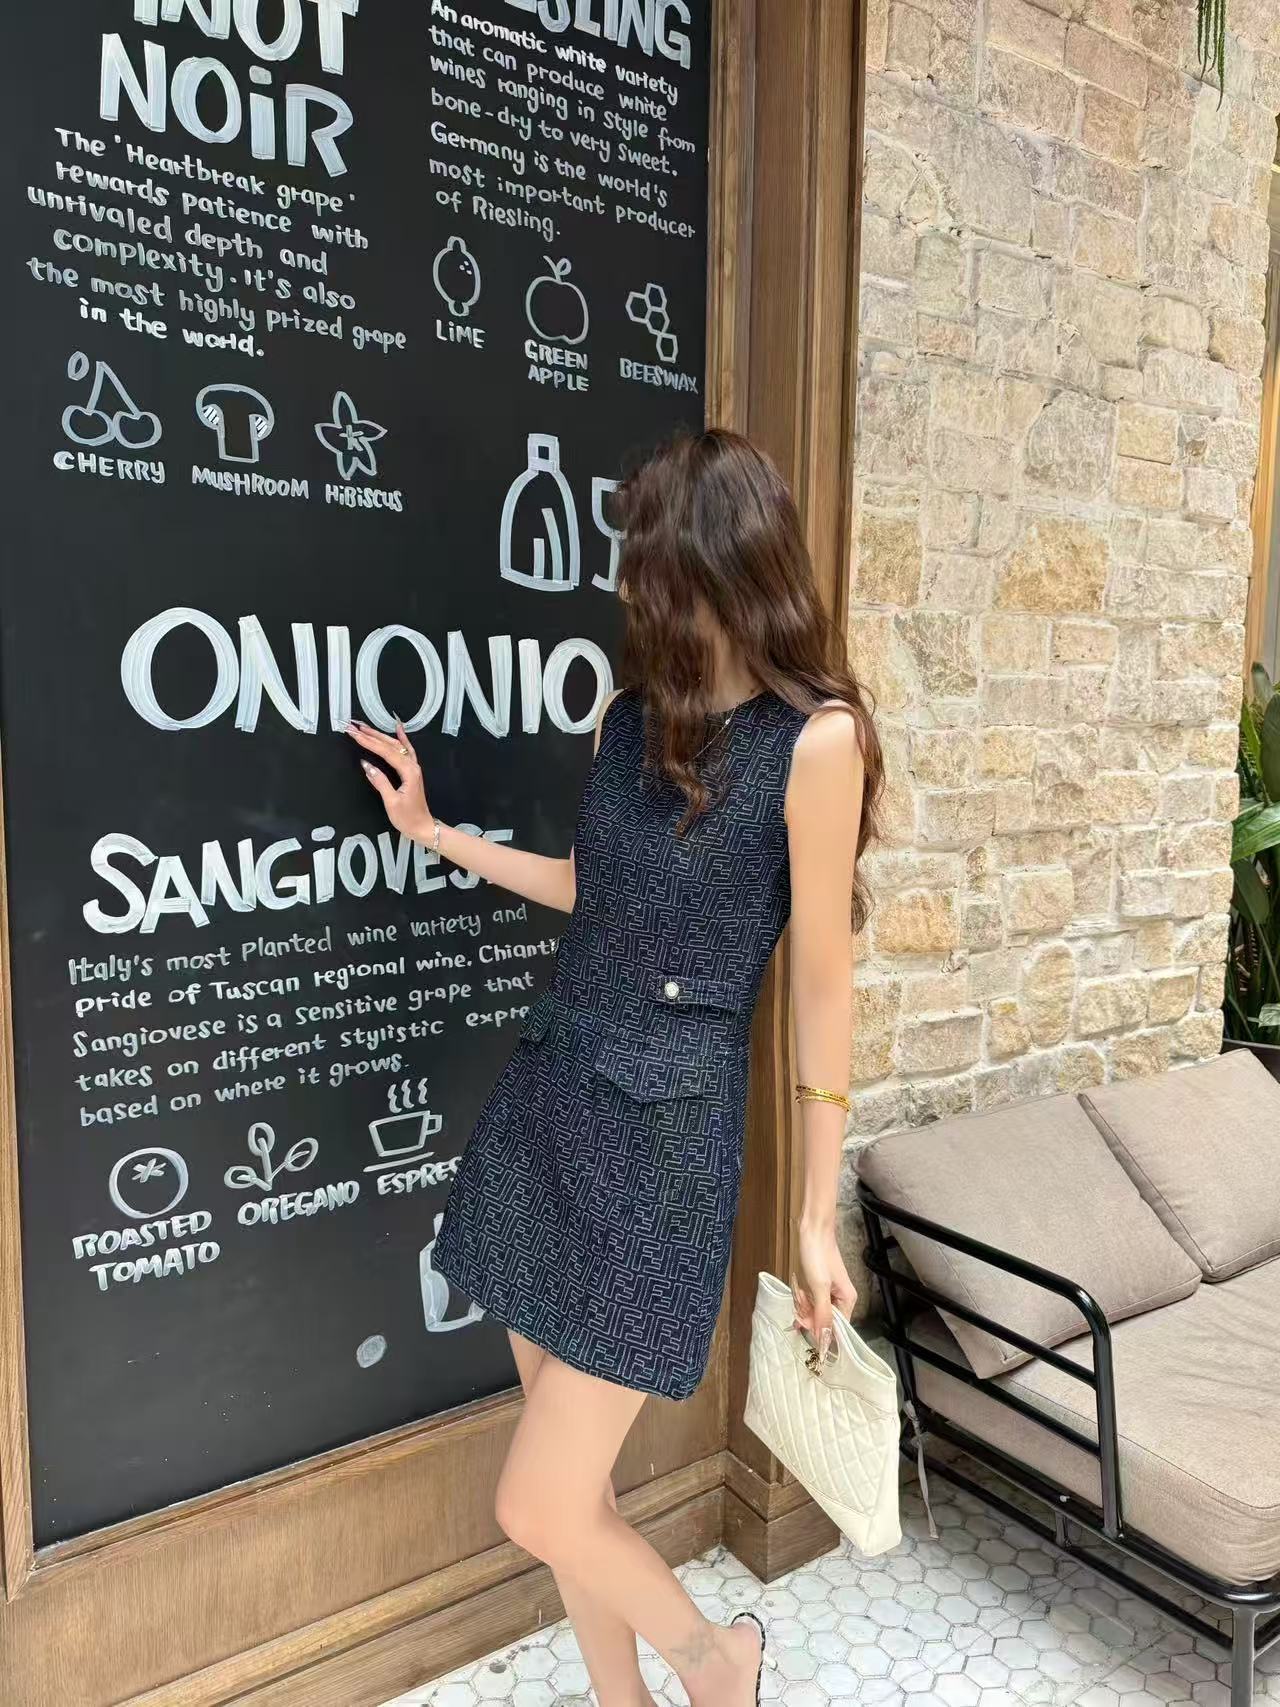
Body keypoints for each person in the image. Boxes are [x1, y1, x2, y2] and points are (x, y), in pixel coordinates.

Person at [348, 428, 882, 1707]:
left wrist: (814, 1215)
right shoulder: (626, 719)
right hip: (549, 1110)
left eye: (651, 563)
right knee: (570, 1495)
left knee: (533, 1500)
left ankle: (717, 1667)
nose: (633, 589)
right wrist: (433, 834)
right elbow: (595, 893)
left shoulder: (816, 742)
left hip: (662, 1147)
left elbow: (821, 985)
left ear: (723, 563)